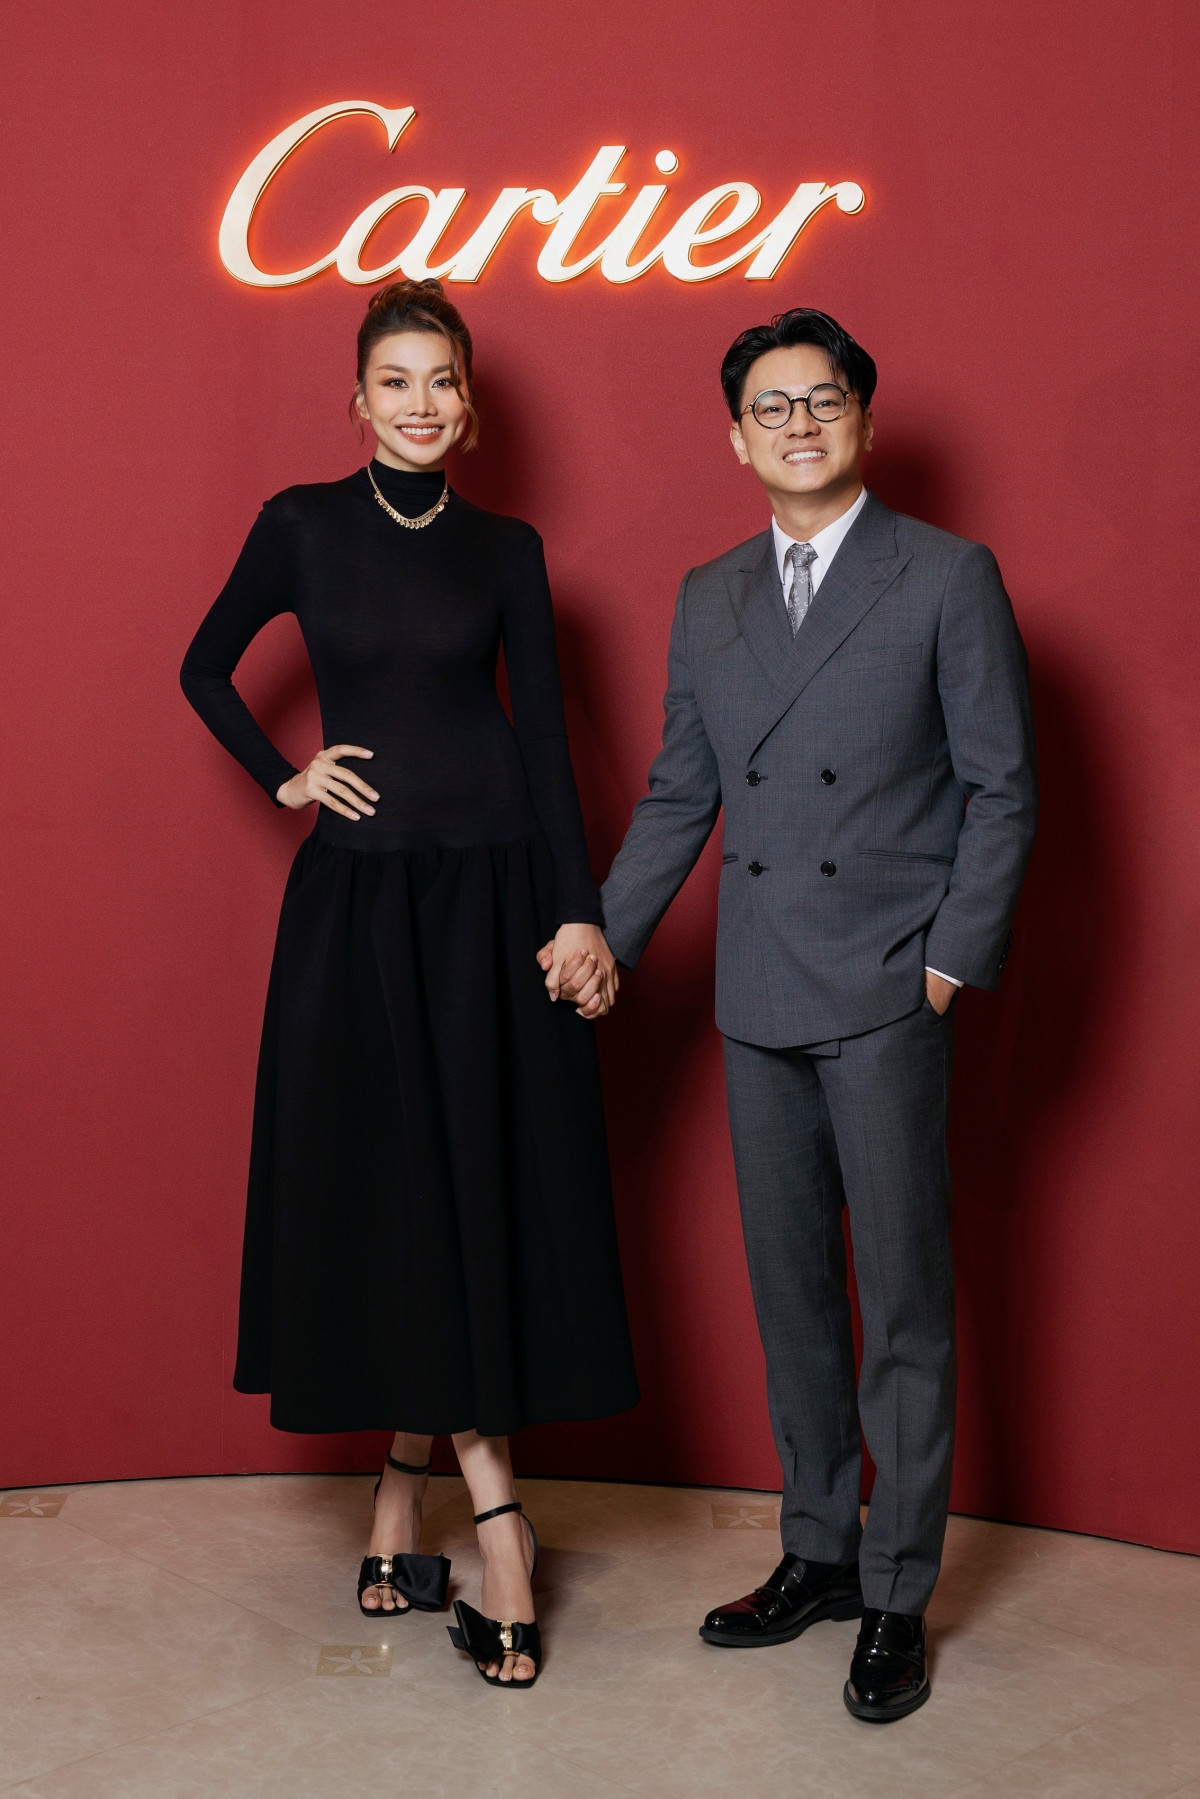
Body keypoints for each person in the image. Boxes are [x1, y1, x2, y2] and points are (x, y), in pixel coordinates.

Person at [555, 307, 1037, 1720]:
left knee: (904, 1304)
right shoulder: (709, 594)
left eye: (822, 400)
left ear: (863, 420)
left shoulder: (946, 574)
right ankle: (819, 1549)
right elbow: (679, 793)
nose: (800, 424)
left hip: (888, 986)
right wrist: (606, 930)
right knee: (794, 1300)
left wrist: (952, 959)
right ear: (737, 438)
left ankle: (897, 1590)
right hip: (758, 988)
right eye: (772, 407)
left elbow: (1003, 787)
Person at [180, 278, 637, 1689]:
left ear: (471, 402)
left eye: (443, 379)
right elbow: (203, 668)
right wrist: (285, 776)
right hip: (361, 906)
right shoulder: (300, 524)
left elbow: (547, 743)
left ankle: (413, 1501)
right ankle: (493, 1522)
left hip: (496, 899)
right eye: (397, 380)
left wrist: (581, 911)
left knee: (470, 1191)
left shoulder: (508, 547)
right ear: (359, 399)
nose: (421, 403)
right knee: (393, 1191)